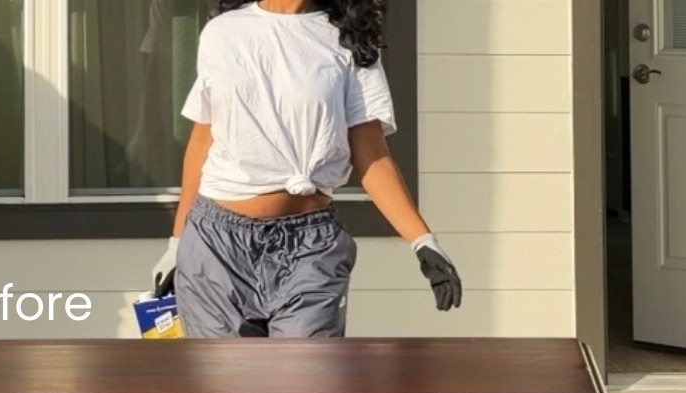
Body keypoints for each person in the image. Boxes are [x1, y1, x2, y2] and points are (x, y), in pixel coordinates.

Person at [152, 0, 462, 337]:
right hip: (215, 246)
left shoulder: (349, 39)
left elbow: (371, 152)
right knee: (222, 386)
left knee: (307, 382)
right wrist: (176, 243)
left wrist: (422, 241)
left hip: (309, 247)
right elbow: (203, 140)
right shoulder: (222, 32)